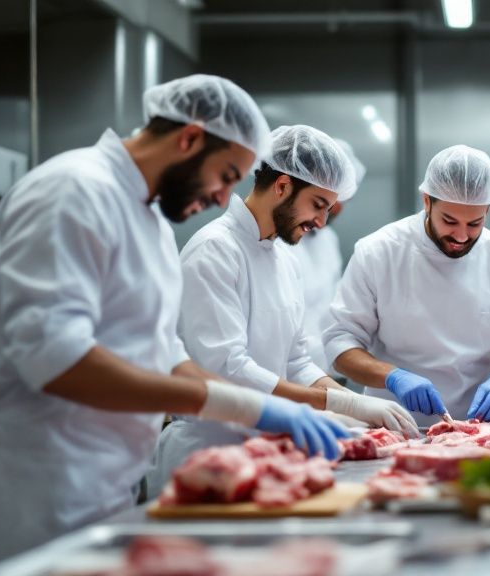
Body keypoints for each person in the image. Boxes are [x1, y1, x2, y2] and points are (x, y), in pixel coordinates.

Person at [0, 75, 347, 572]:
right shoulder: (73, 192)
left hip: (105, 482)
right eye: (226, 174)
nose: (223, 198)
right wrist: (238, 403)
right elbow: (55, 357)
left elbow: (164, 352)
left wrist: (292, 404)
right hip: (34, 487)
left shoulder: (148, 219)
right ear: (190, 138)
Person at [148, 126, 417, 498]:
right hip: (208, 455)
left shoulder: (285, 259)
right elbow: (227, 369)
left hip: (269, 454)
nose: (321, 222)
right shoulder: (214, 251)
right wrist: (335, 402)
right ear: (283, 186)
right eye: (318, 205)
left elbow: (296, 361)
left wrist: (354, 402)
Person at [323, 145, 490, 426]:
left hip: (474, 427)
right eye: (449, 221)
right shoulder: (378, 252)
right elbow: (340, 341)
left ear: (488, 210)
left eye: (475, 223)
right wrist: (393, 377)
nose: (462, 236)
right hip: (393, 426)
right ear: (427, 201)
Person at [293, 138, 366, 371]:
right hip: (287, 375)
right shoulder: (278, 242)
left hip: (322, 369)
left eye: (344, 200)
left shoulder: (328, 240)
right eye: (325, 202)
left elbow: (331, 308)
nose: (336, 209)